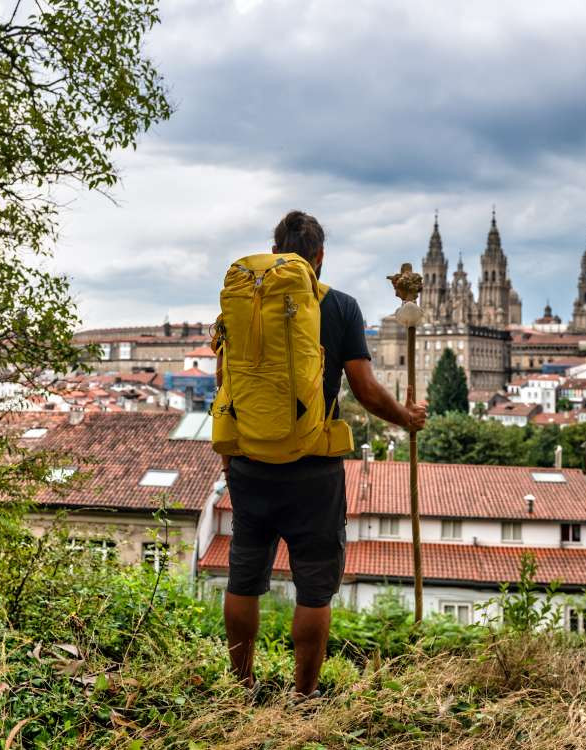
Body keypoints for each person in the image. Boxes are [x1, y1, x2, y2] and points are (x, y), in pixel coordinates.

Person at [219, 210, 427, 700]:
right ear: (320, 257)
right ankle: (304, 694)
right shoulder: (341, 307)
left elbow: (227, 382)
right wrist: (406, 418)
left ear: (274, 254)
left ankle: (240, 686)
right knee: (314, 588)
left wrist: (230, 456)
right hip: (314, 469)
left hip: (249, 459)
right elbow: (366, 391)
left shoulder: (241, 303)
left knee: (243, 579)